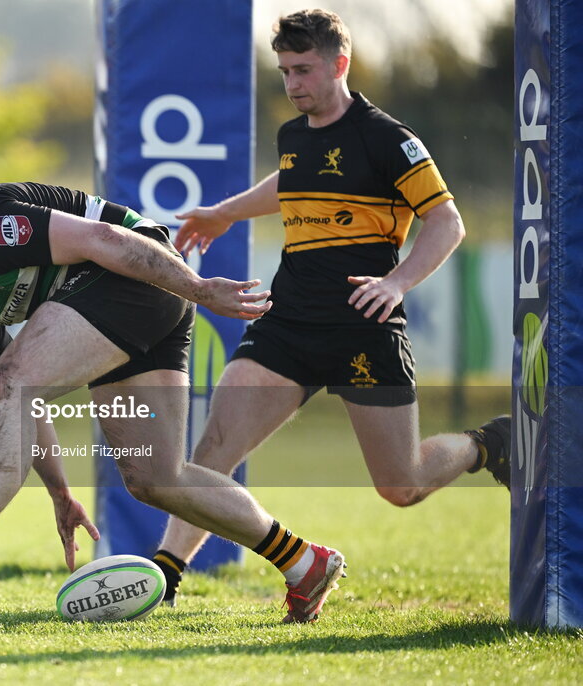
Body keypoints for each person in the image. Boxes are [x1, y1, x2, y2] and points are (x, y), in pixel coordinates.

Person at [0, 181, 346, 623]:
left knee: (10, 379)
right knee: (156, 478)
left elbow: (102, 237)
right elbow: (19, 404)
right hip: (128, 307)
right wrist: (61, 493)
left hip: (140, 274)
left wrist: (199, 290)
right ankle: (304, 562)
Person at [149, 8, 512, 608]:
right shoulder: (294, 134)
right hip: (288, 321)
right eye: (285, 71)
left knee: (403, 485)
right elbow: (290, 180)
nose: (293, 84)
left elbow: (448, 221)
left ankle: (488, 442)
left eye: (304, 70)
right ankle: (165, 575)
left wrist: (397, 283)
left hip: (364, 327)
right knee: (214, 450)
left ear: (340, 64)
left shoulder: (387, 138)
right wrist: (224, 212)